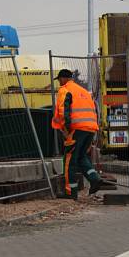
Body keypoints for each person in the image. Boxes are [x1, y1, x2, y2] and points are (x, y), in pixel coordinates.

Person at [51, 69, 103, 199]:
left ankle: (70, 192)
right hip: (90, 129)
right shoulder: (83, 91)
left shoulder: (65, 90)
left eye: (59, 80)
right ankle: (94, 179)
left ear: (63, 79)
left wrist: (66, 129)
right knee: (81, 157)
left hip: (76, 129)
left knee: (69, 160)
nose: (59, 83)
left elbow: (64, 111)